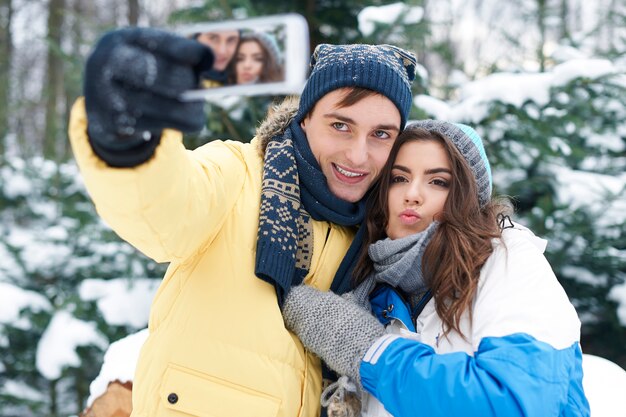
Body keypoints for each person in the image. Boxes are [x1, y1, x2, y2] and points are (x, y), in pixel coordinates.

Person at [69, 26, 417, 417]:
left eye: (381, 134)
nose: (358, 155)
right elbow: (161, 208)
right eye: (341, 125)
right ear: (304, 120)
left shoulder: (380, 232)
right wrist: (125, 140)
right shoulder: (239, 174)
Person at [282, 121, 590, 416]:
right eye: (399, 178)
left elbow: (508, 403)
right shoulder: (372, 291)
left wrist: (367, 350)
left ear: (468, 198)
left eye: (438, 182)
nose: (412, 194)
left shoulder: (509, 262)